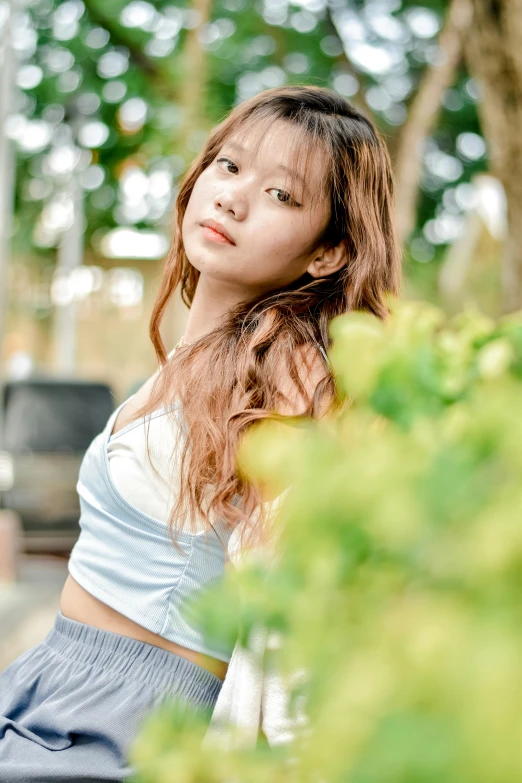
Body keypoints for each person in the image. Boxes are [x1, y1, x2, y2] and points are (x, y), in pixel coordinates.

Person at [0, 85, 401, 780]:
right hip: (53, 684)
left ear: (329, 252)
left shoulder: (290, 371)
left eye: (282, 195)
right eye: (231, 166)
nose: (233, 198)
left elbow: (300, 583)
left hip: (126, 724)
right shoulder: (194, 359)